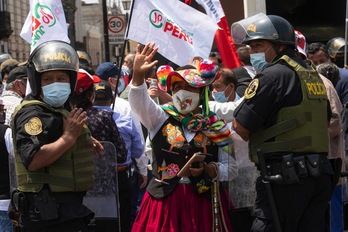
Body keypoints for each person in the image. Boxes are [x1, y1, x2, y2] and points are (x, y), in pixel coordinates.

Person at [231, 13, 334, 231]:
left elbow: (241, 126)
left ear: (279, 46)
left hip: (285, 177)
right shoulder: (311, 74)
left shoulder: (271, 76)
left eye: (259, 45)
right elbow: (322, 121)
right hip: (319, 174)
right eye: (251, 47)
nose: (253, 52)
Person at [129, 43, 237, 231]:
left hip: (202, 202)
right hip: (163, 201)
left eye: (190, 87)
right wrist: (137, 76)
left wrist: (210, 169)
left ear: (201, 92)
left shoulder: (215, 125)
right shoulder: (160, 117)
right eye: (177, 87)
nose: (182, 92)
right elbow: (139, 103)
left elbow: (232, 169)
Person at [11, 40, 100, 232]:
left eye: (61, 78)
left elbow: (56, 135)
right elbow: (33, 159)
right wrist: (68, 138)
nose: (55, 83)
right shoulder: (33, 113)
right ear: (37, 82)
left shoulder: (57, 110)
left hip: (66, 211)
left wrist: (82, 140)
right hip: (47, 215)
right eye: (47, 79)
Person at [91, 80, 145, 231]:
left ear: (92, 98)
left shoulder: (82, 121)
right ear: (113, 99)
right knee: (124, 219)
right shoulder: (125, 120)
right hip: (120, 177)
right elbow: (137, 151)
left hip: (92, 179)